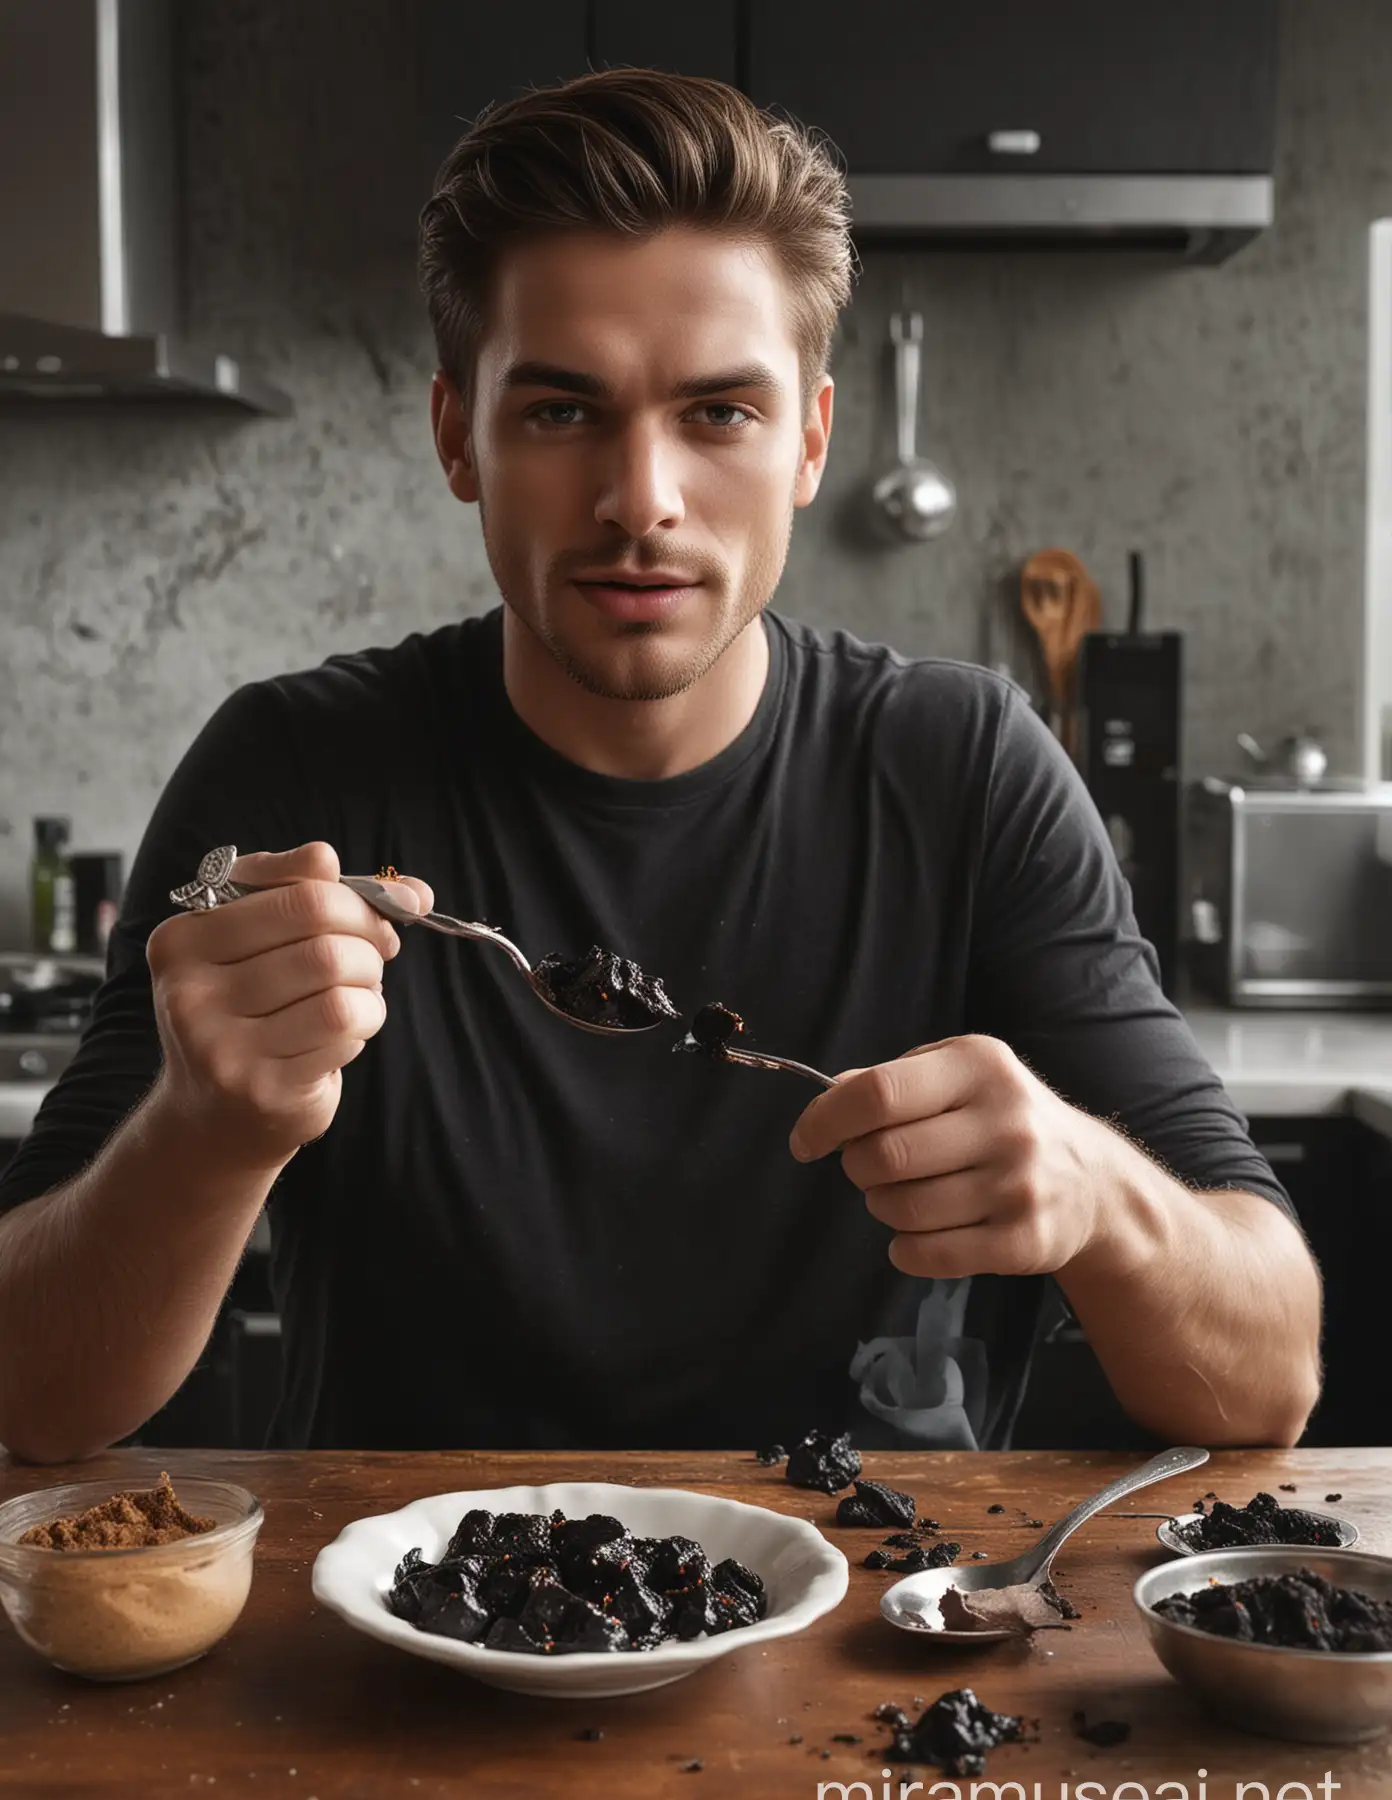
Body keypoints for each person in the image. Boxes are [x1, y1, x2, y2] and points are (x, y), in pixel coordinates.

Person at [0, 69, 1319, 1465]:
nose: (642, 499)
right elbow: (30, 1398)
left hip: (882, 1644)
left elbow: (1269, 1376)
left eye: (718, 414)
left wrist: (1101, 1194)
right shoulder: (294, 769)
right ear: (459, 434)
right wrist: (203, 1135)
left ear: (811, 438)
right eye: (564, 413)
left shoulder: (967, 769)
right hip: (391, 1652)